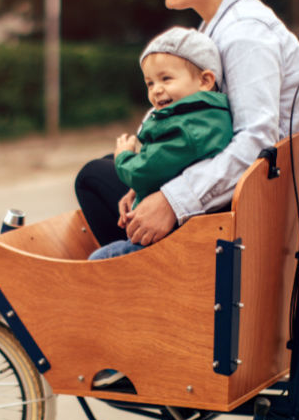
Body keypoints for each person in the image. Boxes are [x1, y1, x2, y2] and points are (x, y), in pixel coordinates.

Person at [75, 0, 299, 251]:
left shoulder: (246, 34)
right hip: (240, 207)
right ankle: (135, 266)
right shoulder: (217, 28)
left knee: (94, 178)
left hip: (251, 219)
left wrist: (172, 201)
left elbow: (258, 143)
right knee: (111, 172)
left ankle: (140, 271)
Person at [89, 27, 233, 260]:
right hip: (186, 228)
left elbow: (143, 171)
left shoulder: (185, 129)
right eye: (150, 83)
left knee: (98, 261)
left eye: (166, 79)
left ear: (205, 81)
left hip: (173, 236)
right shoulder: (206, 118)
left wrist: (123, 156)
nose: (156, 90)